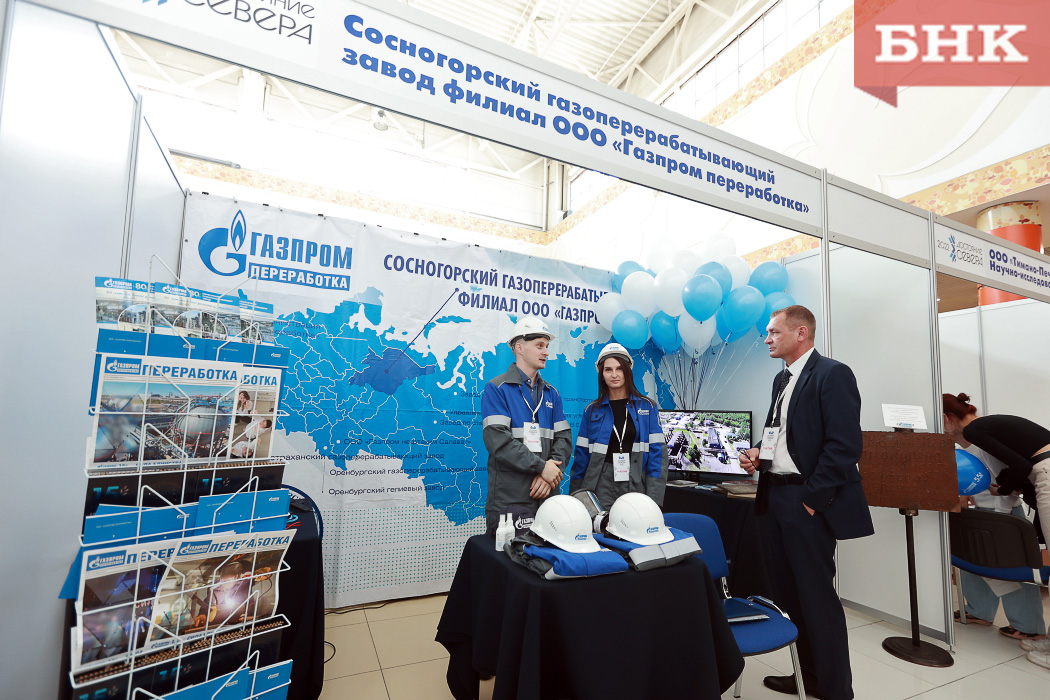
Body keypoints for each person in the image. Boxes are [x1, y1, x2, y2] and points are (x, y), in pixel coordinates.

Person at [739, 305, 874, 700]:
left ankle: (835, 689)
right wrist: (759, 454)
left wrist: (812, 501)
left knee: (817, 599)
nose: (767, 339)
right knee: (789, 596)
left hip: (806, 501)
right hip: (775, 497)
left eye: (773, 332)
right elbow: (782, 434)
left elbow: (844, 447)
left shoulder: (832, 374)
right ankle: (807, 676)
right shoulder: (781, 379)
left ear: (800, 333)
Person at [942, 393, 1050, 668]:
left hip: (1001, 511)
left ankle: (1029, 626)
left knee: (1010, 566)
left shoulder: (979, 435)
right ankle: (979, 611)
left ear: (946, 418)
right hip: (985, 509)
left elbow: (1017, 472)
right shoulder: (974, 437)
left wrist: (1001, 499)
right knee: (971, 560)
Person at [482, 317, 572, 534]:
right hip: (510, 498)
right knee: (507, 556)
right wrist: (542, 468)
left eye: (547, 346)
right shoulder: (497, 389)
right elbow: (499, 442)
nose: (546, 352)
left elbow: (564, 439)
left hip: (547, 495)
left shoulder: (551, 393)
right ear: (519, 348)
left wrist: (549, 474)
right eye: (540, 346)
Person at [569, 343, 666, 509]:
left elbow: (658, 457)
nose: (614, 375)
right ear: (602, 374)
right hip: (601, 483)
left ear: (627, 371)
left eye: (619, 368)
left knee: (634, 522)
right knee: (602, 524)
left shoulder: (647, 407)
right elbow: (581, 459)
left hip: (636, 480)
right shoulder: (591, 411)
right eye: (608, 370)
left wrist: (653, 501)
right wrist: (576, 499)